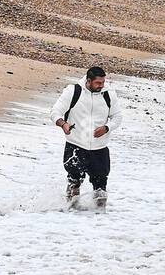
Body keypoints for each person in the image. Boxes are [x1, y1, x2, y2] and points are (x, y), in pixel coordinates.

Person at [50, 65, 122, 208]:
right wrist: (63, 124)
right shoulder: (73, 91)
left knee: (101, 187)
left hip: (100, 148)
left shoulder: (108, 94)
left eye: (103, 82)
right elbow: (55, 112)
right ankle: (69, 213)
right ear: (88, 81)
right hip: (76, 145)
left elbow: (117, 117)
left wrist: (107, 128)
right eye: (98, 83)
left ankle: (99, 217)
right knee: (74, 182)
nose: (101, 86)